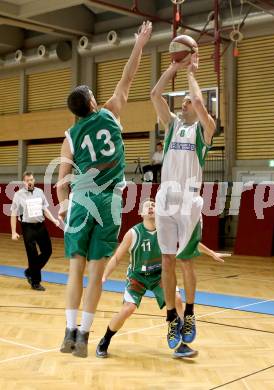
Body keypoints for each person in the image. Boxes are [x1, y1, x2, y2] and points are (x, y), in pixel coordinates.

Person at [57, 21, 152, 358]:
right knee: (96, 273)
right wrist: (139, 44)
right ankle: (83, 336)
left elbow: (62, 177)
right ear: (93, 102)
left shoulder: (71, 135)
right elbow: (128, 76)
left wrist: (64, 203)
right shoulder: (111, 113)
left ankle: (67, 332)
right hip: (109, 202)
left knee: (75, 270)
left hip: (82, 202)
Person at [95, 199, 229, 359]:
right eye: (147, 206)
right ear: (141, 213)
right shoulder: (133, 233)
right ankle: (105, 340)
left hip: (160, 275)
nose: (151, 207)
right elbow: (117, 257)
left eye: (153, 205)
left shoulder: (166, 230)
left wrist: (212, 253)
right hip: (137, 277)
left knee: (178, 299)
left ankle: (182, 345)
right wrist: (104, 275)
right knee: (128, 309)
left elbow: (190, 243)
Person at [150, 52, 217, 350]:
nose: (185, 102)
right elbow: (155, 93)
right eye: (184, 100)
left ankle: (189, 313)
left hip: (190, 202)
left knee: (186, 261)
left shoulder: (204, 129)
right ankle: (170, 318)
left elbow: (200, 103)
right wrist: (172, 67)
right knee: (166, 259)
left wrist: (191, 71)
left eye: (187, 100)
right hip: (165, 197)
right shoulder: (173, 125)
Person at [10, 171, 60, 291]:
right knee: (32, 255)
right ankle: (35, 282)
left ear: (34, 180)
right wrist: (13, 232)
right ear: (24, 182)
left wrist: (54, 220)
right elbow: (13, 213)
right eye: (27, 180)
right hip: (27, 227)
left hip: (41, 226)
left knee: (47, 251)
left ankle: (30, 271)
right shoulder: (18, 195)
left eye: (31, 180)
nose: (30, 182)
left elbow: (45, 209)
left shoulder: (40, 192)